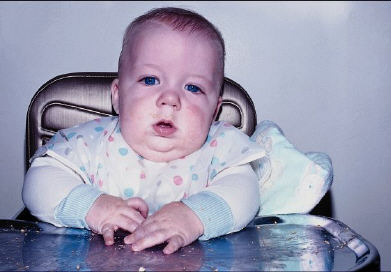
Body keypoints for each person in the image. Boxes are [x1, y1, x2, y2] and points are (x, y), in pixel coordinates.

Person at [22, 7, 266, 254]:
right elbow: (38, 182)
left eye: (193, 87)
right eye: (150, 80)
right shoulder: (90, 143)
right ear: (118, 96)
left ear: (214, 110)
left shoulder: (221, 148)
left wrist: (195, 217)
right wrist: (93, 207)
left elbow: (245, 192)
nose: (170, 99)